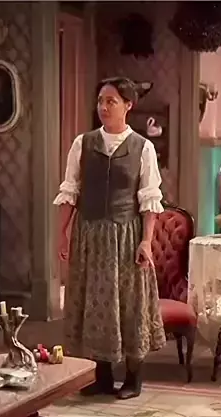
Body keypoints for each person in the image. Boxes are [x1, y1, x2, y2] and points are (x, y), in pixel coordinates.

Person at [55, 76, 166, 400]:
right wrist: (62, 234)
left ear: (128, 105)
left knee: (129, 303)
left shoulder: (143, 147)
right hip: (89, 234)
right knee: (94, 302)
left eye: (111, 101)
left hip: (126, 235)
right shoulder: (83, 143)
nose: (103, 107)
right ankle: (101, 376)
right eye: (100, 101)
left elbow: (149, 199)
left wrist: (146, 241)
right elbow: (71, 191)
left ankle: (133, 377)